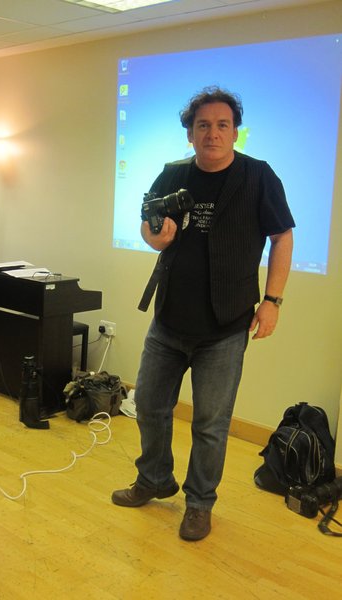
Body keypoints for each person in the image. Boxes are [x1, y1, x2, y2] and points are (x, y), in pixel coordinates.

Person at [111, 86, 295, 541]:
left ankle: (199, 504)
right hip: (169, 320)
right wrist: (154, 236)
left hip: (225, 327)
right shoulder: (172, 174)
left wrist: (272, 301)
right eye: (203, 125)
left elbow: (282, 236)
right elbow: (149, 223)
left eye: (222, 125)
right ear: (190, 134)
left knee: (210, 424)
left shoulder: (258, 176)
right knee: (149, 406)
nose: (213, 133)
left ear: (235, 132)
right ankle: (154, 479)